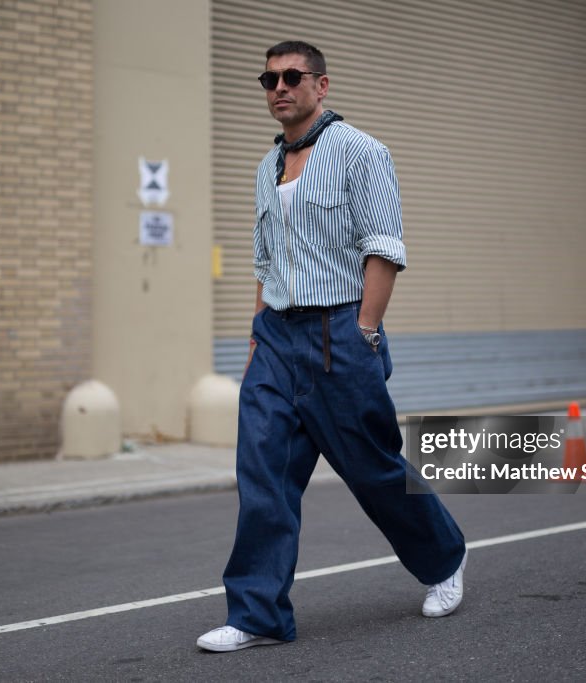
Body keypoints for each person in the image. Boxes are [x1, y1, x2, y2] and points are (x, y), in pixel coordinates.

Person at [197, 41, 467, 653]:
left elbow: (384, 247)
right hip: (276, 339)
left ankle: (445, 559)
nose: (278, 88)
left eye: (292, 77)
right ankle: (259, 614)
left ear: (322, 86)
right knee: (263, 477)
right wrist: (254, 338)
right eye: (268, 79)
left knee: (372, 470)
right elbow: (265, 264)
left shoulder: (362, 153)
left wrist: (365, 331)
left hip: (337, 334)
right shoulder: (267, 167)